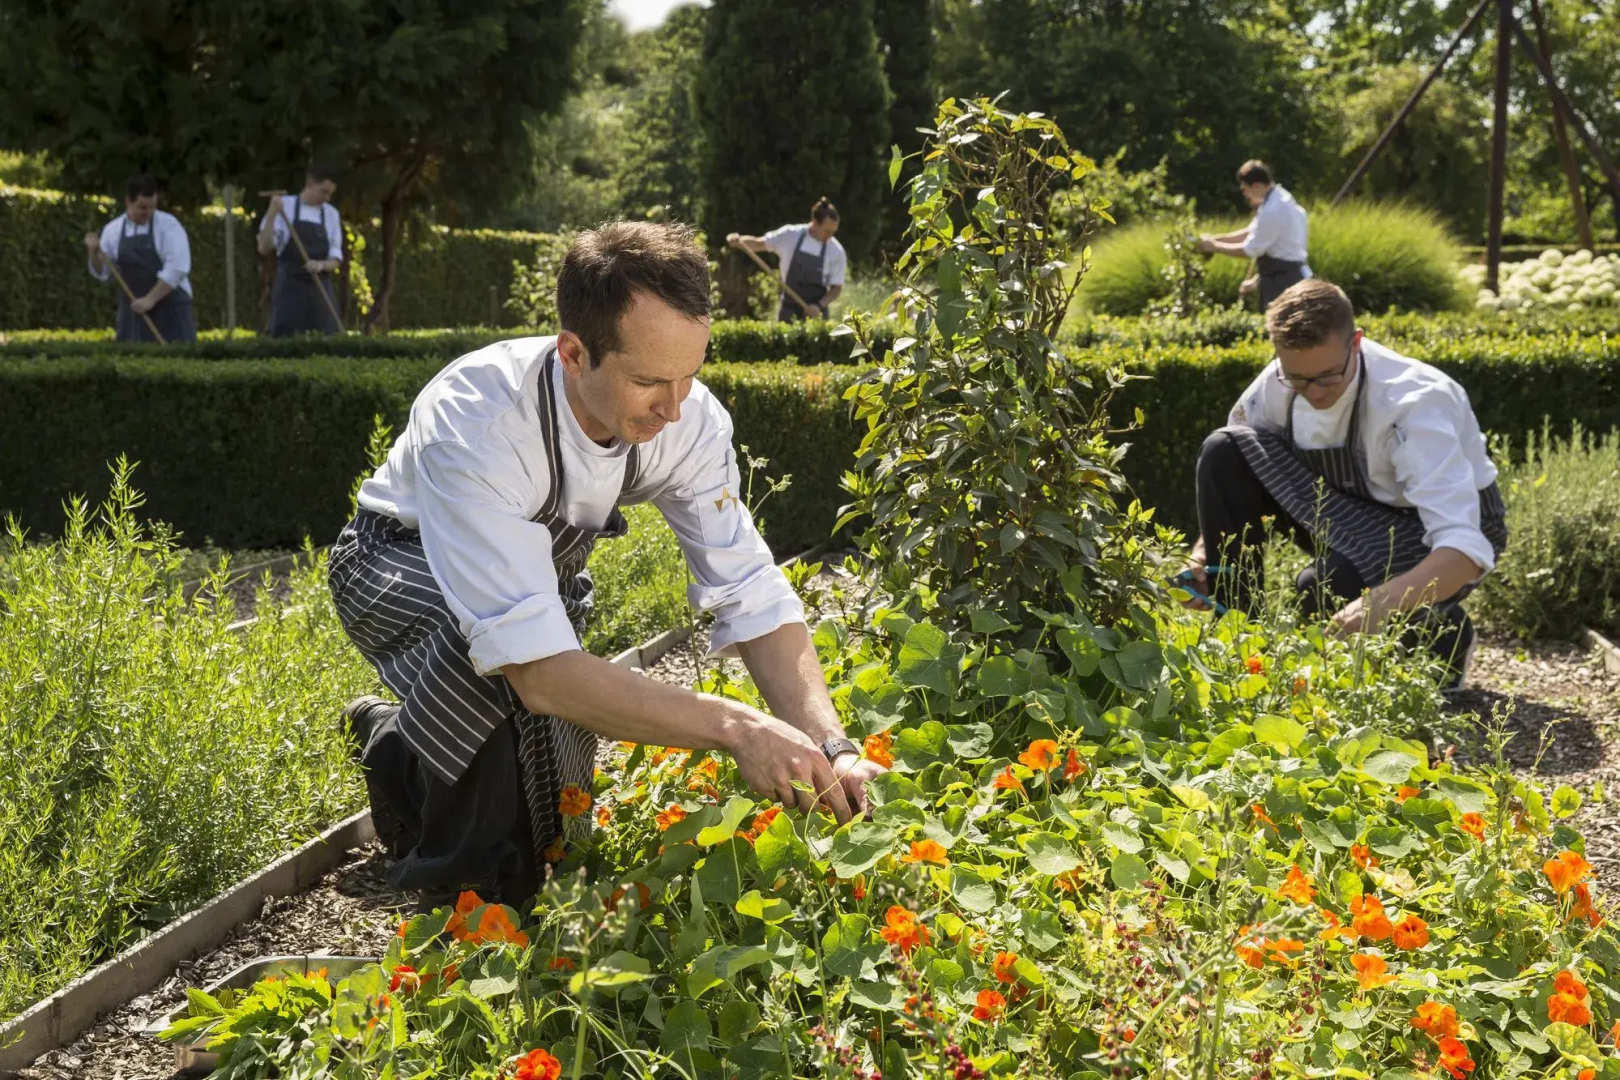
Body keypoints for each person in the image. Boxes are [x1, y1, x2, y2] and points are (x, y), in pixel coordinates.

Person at [331, 221, 885, 905]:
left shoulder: (687, 415)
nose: (676, 408)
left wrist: (830, 745)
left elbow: (749, 590)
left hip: (532, 577)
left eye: (690, 375)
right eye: (650, 381)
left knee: (558, 806)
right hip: (392, 563)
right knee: (506, 726)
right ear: (573, 352)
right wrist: (737, 727)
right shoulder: (479, 420)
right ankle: (454, 882)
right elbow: (536, 669)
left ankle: (399, 748)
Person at [1183, 279, 1507, 687]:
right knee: (1224, 448)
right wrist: (1205, 557)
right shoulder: (1279, 381)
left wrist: (1376, 605)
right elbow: (1238, 469)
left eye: (1328, 377)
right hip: (1351, 506)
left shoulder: (1415, 403)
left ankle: (1446, 637)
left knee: (1323, 587)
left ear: (1356, 342)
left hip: (1435, 527)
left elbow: (1465, 550)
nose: (1314, 393)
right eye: (1298, 380)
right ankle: (1238, 644)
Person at [83, 175, 196, 343]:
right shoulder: (113, 231)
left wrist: (150, 300)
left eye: (152, 207)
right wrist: (93, 253)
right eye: (143, 208)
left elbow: (177, 269)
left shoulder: (169, 226)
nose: (148, 213)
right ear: (128, 201)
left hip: (172, 311)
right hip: (132, 314)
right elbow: (104, 273)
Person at [1197, 160, 1312, 312]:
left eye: (1245, 190)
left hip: (1285, 282)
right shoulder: (1278, 199)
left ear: (1257, 186)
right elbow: (1251, 232)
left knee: (1283, 329)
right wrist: (1215, 238)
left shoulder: (1273, 210)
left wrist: (1215, 247)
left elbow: (1250, 250)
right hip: (1286, 276)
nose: (1245, 195)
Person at [726, 197, 847, 322]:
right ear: (815, 222)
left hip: (817, 314)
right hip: (788, 310)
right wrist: (739, 241)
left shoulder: (836, 251)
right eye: (827, 231)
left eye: (833, 232)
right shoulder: (790, 235)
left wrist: (818, 306)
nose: (830, 236)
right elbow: (758, 243)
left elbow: (836, 289)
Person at [258, 164, 344, 336]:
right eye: (323, 191)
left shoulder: (331, 214)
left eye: (330, 194)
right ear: (310, 184)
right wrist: (272, 213)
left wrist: (320, 265)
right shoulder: (285, 207)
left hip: (320, 294)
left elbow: (335, 259)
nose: (327, 198)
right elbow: (263, 248)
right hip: (289, 293)